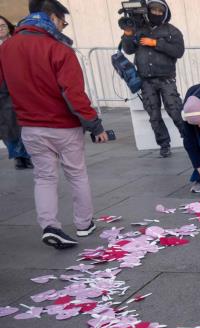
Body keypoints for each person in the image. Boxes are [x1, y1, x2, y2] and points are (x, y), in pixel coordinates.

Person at [0, 0, 109, 249]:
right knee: (76, 173)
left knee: (44, 177)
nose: (63, 27)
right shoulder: (59, 48)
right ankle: (84, 224)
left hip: (29, 126)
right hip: (63, 125)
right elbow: (74, 95)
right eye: (63, 21)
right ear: (51, 16)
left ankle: (49, 225)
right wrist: (95, 125)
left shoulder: (7, 47)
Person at [120, 0, 185, 158]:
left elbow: (178, 51)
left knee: (175, 111)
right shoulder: (139, 29)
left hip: (166, 79)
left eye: (159, 11)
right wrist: (128, 34)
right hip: (146, 80)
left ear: (165, 12)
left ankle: (189, 137)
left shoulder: (172, 31)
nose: (156, 13)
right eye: (153, 10)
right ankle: (164, 145)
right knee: (154, 115)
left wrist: (156, 43)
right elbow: (128, 49)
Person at [0, 15, 32, 169]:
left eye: (2, 24)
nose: (0, 28)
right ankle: (18, 156)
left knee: (22, 123)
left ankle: (26, 154)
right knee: (7, 125)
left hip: (18, 86)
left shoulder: (17, 41)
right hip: (2, 90)